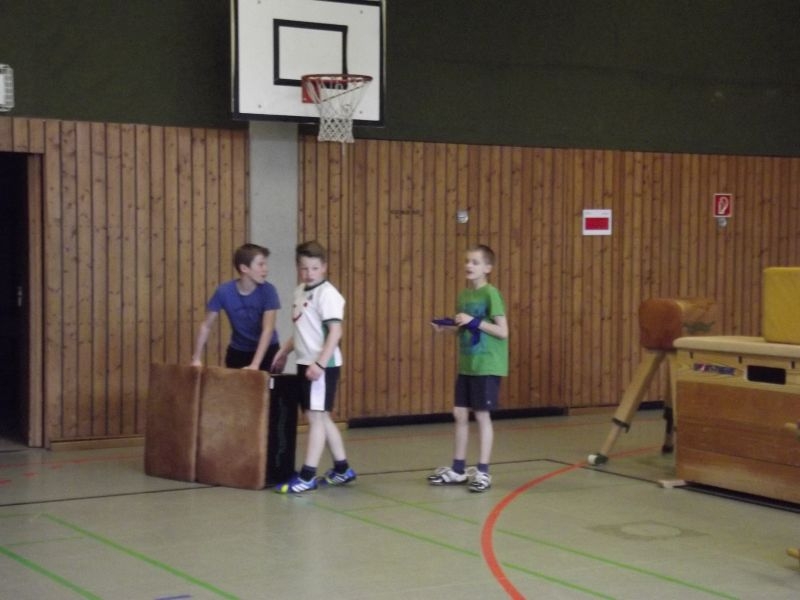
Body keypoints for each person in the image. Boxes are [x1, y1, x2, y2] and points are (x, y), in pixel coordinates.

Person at [272, 241, 356, 493]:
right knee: (318, 416)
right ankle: (342, 469)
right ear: (298, 268)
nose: (309, 273)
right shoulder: (300, 291)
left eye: (315, 268)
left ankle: (307, 475)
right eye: (304, 268)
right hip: (304, 362)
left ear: (324, 267)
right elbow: (302, 329)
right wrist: (284, 351)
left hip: (322, 365)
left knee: (316, 418)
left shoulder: (328, 295)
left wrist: (319, 363)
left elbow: (335, 332)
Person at [429, 244, 509, 492]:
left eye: (475, 262)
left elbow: (502, 331)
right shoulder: (463, 296)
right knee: (460, 414)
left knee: (482, 415)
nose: (468, 265)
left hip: (487, 365)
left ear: (488, 268)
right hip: (467, 364)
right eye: (467, 261)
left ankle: (483, 472)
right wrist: (446, 328)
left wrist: (474, 321)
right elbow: (464, 329)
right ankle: (458, 469)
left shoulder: (491, 294)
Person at [191, 243, 283, 372]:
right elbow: (206, 325)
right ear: (244, 268)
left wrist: (255, 365)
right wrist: (196, 358)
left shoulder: (269, 291)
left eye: (265, 264)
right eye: (261, 264)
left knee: (266, 384)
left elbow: (267, 329)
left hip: (267, 349)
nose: (266, 269)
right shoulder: (224, 291)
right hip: (239, 350)